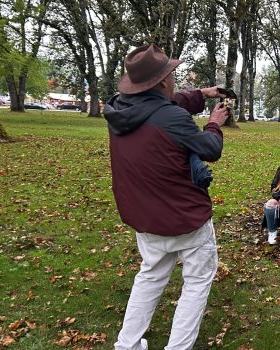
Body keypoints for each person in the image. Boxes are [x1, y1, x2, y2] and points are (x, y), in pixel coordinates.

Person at [103, 44, 229, 350]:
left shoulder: (119, 108)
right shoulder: (170, 117)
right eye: (171, 74)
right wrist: (213, 123)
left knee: (150, 277)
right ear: (161, 81)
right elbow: (210, 149)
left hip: (145, 217)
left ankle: (127, 344)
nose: (174, 78)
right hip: (184, 218)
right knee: (197, 283)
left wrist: (202, 92)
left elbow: (163, 105)